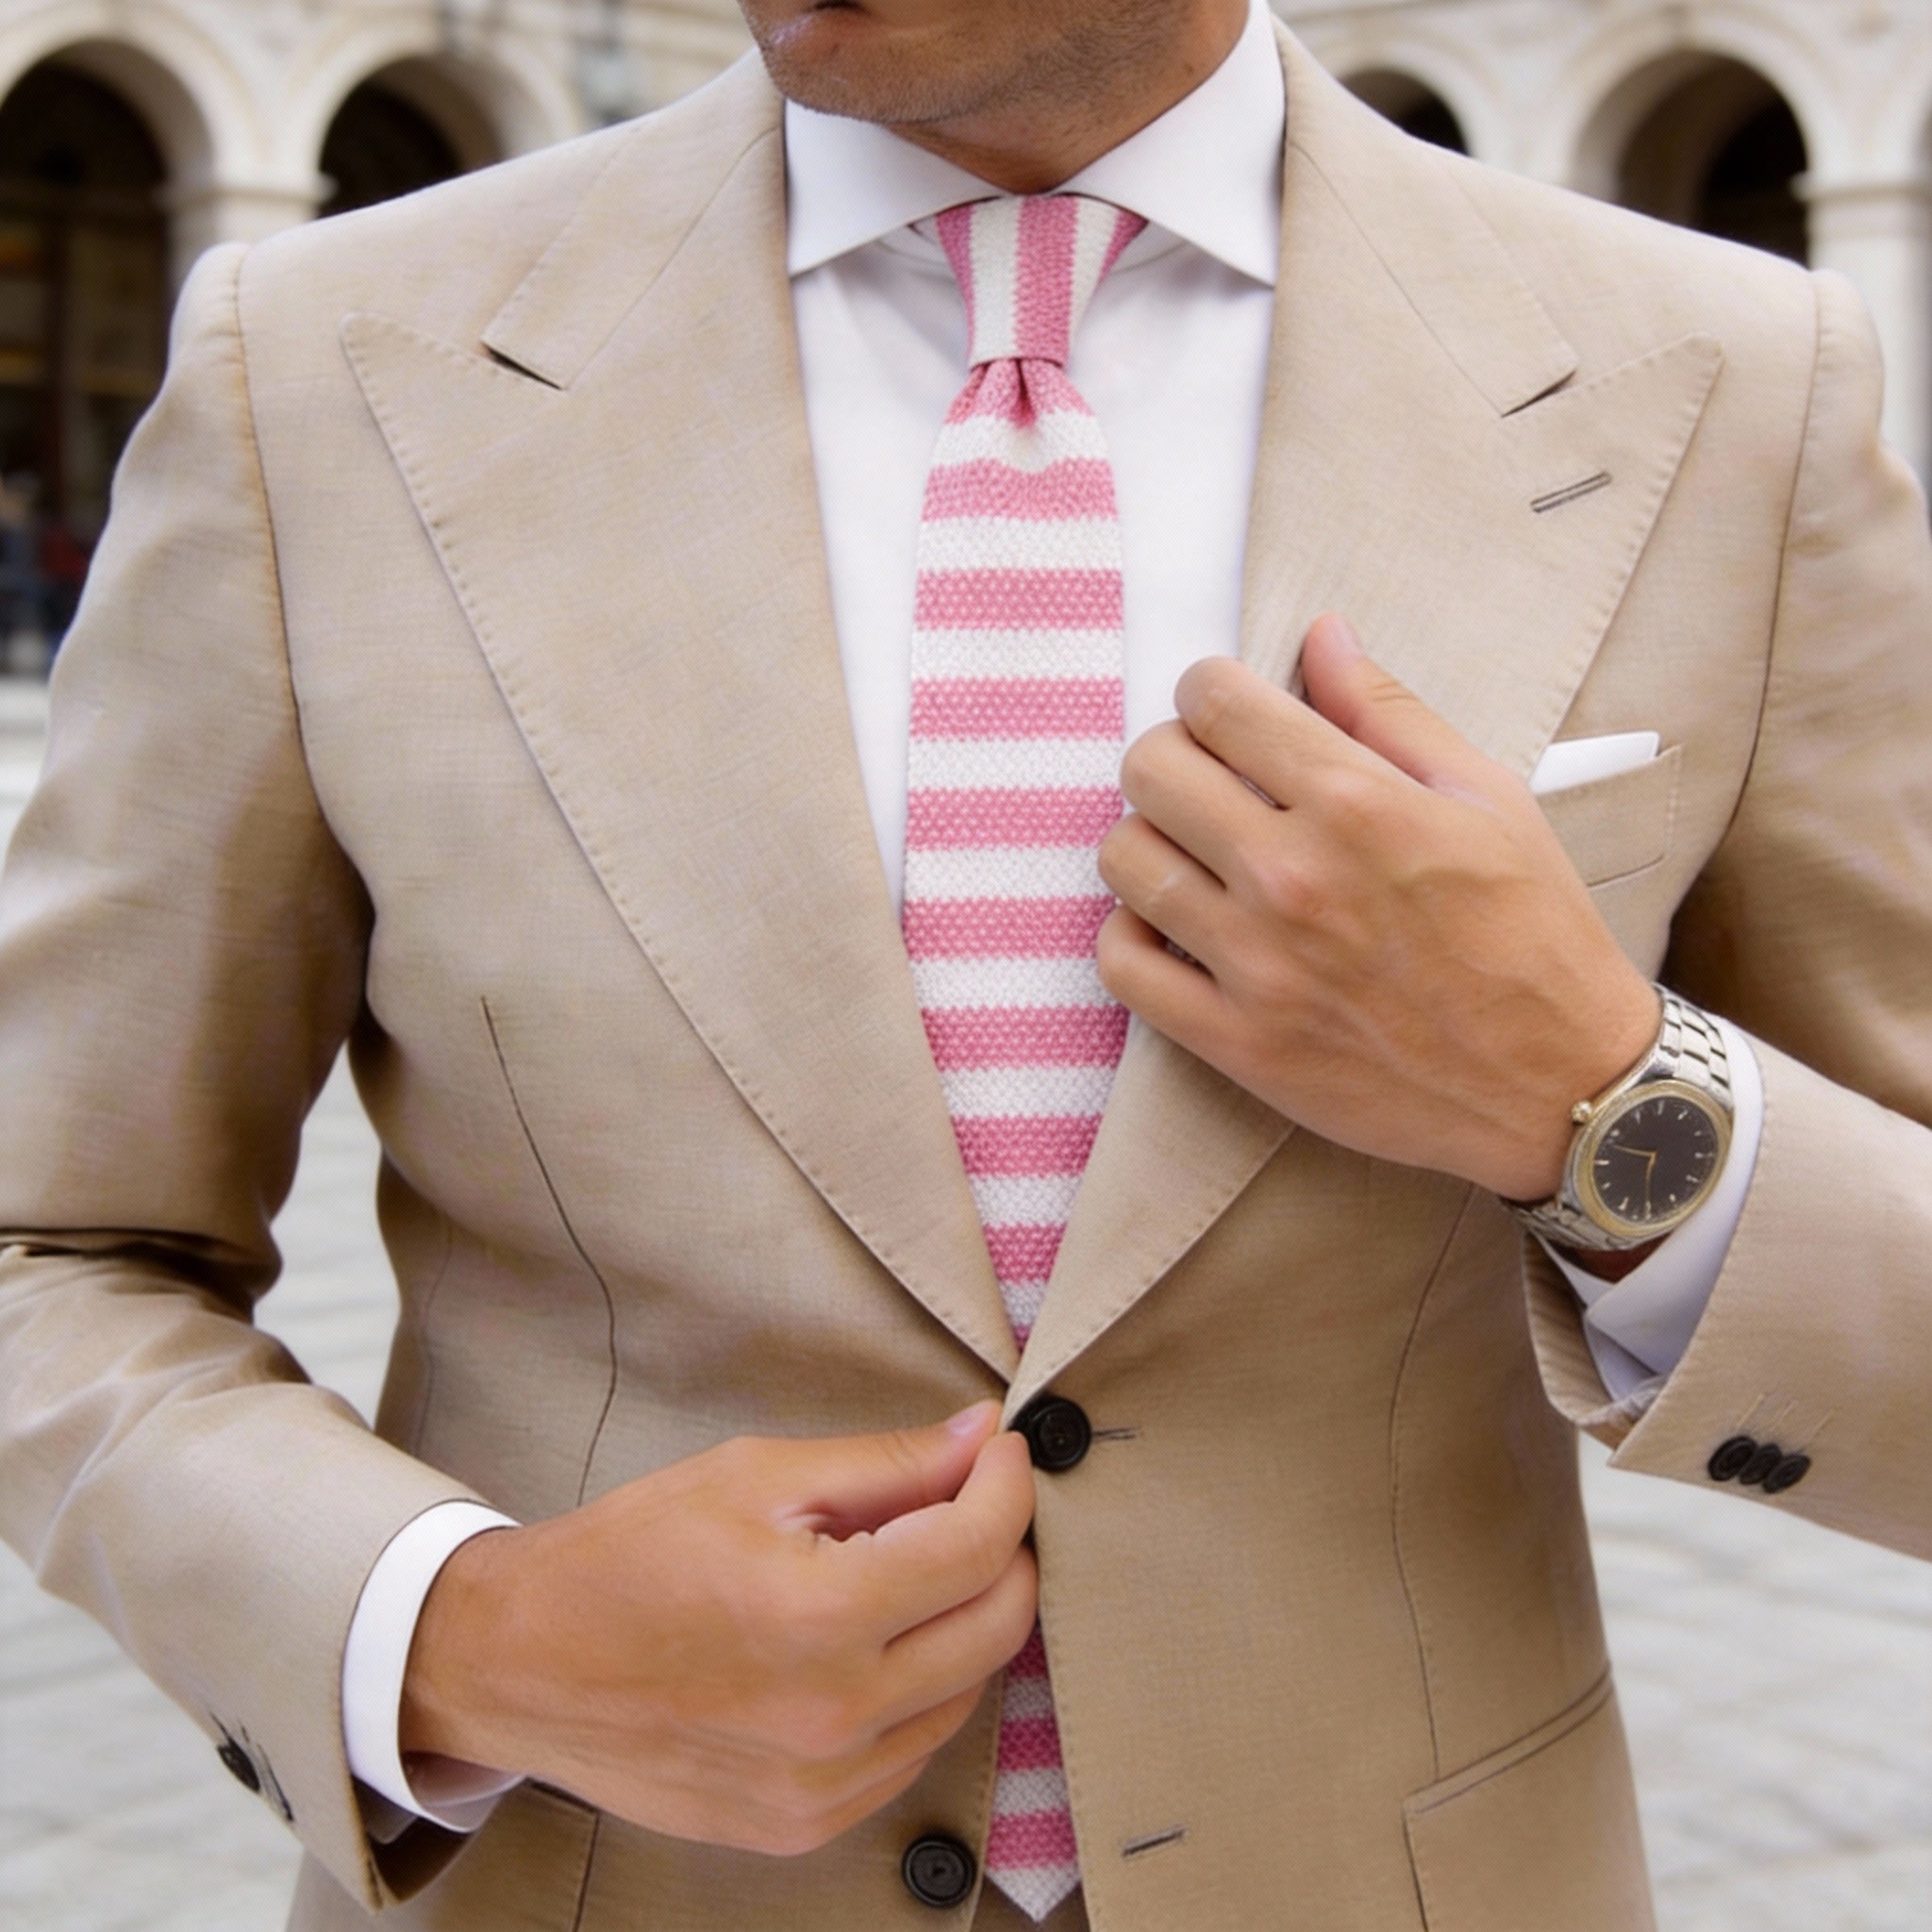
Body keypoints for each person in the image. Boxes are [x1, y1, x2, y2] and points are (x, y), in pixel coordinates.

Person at [0, 0, 1927, 1926]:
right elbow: (50, 1243)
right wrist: (461, 1634)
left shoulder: (1730, 387)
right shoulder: (318, 366)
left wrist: (1600, 1099)